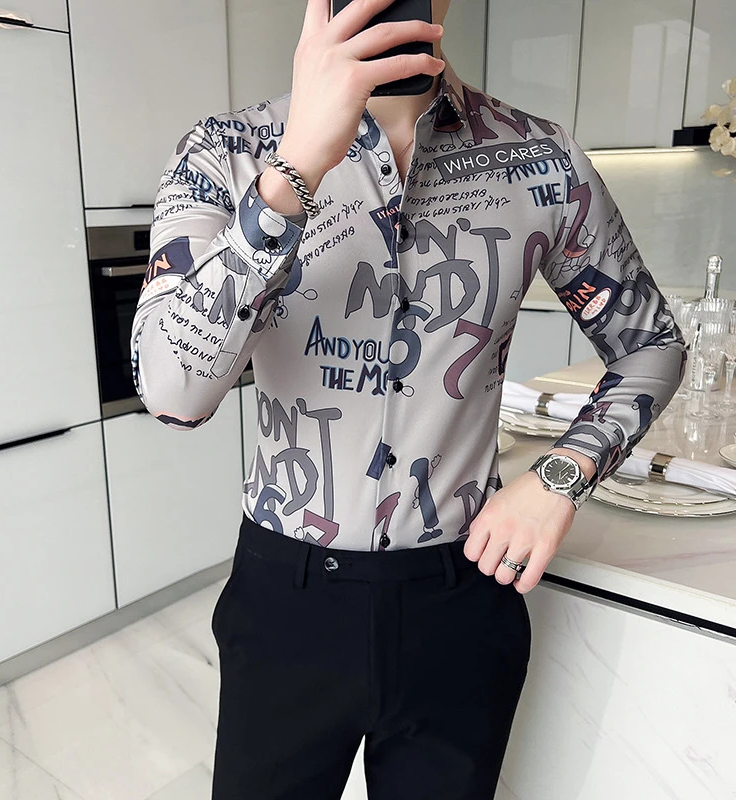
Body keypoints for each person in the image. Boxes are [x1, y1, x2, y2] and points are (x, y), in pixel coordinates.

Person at [130, 0, 687, 797]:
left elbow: (650, 342)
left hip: (463, 597)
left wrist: (559, 478)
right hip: (288, 602)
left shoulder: (541, 158)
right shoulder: (225, 150)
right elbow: (171, 392)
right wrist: (294, 171)